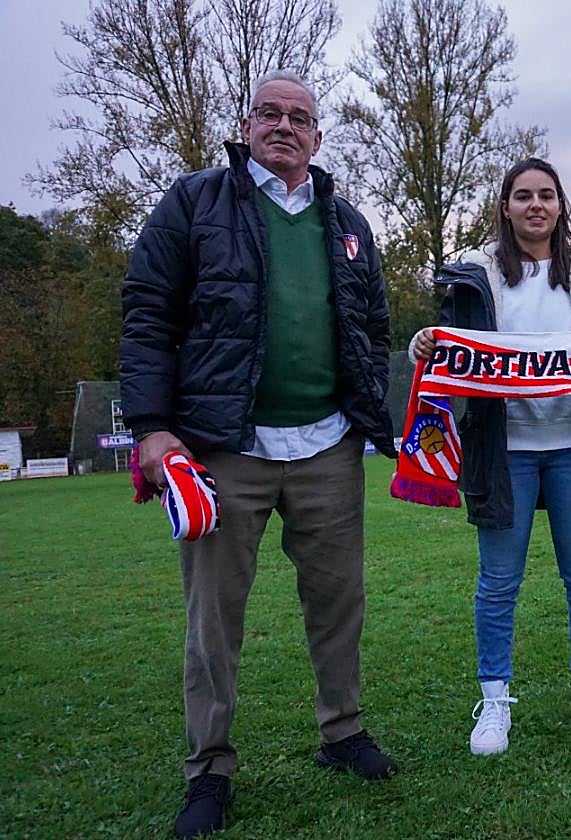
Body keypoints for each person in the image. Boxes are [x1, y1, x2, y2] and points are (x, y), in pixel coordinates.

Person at [121, 70, 398, 838]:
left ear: (318, 135)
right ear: (246, 125)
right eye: (269, 114)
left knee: (339, 603)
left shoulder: (347, 220)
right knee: (214, 621)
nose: (284, 126)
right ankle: (208, 769)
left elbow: (371, 323)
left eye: (300, 117)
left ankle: (341, 733)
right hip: (222, 450)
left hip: (327, 447)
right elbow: (148, 314)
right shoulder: (193, 203)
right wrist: (151, 423)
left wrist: (366, 409)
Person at [412, 158, 571, 755]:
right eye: (523, 196)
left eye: (546, 195)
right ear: (505, 206)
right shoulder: (474, 275)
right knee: (498, 582)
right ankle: (494, 699)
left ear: (560, 204)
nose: (535, 205)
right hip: (504, 452)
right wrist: (426, 342)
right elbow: (448, 345)